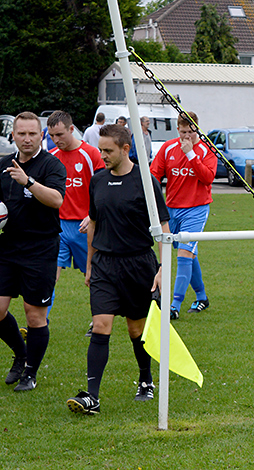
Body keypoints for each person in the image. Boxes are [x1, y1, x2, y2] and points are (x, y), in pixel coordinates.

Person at [66, 124, 170, 415]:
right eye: (100, 149)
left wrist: (162, 267)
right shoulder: (97, 181)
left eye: (108, 150)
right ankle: (92, 396)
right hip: (104, 266)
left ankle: (146, 379)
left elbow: (163, 228)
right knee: (101, 324)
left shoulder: (146, 182)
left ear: (126, 149)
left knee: (136, 329)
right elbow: (94, 224)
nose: (103, 155)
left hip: (138, 264)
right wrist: (88, 264)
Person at [0, 112, 66, 392]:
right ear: (12, 135)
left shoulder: (52, 164)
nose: (27, 139)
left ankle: (31, 372)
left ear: (42, 135)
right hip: (7, 247)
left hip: (40, 249)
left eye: (32, 133)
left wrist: (27, 181)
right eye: (21, 133)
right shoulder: (3, 165)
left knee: (34, 314)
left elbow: (56, 200)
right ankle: (21, 353)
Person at [150, 111, 217, 320]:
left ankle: (174, 305)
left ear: (197, 128)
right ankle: (202, 297)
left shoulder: (206, 150)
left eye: (191, 132)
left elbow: (208, 178)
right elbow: (154, 175)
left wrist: (191, 154)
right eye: (183, 132)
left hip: (196, 209)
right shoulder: (168, 147)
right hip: (171, 210)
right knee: (188, 253)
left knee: (184, 255)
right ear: (178, 129)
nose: (187, 136)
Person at [47, 111, 105, 326]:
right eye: (52, 136)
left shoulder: (92, 155)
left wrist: (92, 215)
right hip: (58, 226)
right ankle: (40, 321)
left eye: (60, 134)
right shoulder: (51, 157)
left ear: (72, 129)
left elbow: (103, 190)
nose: (56, 140)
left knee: (93, 275)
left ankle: (97, 320)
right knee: (50, 273)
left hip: (85, 227)